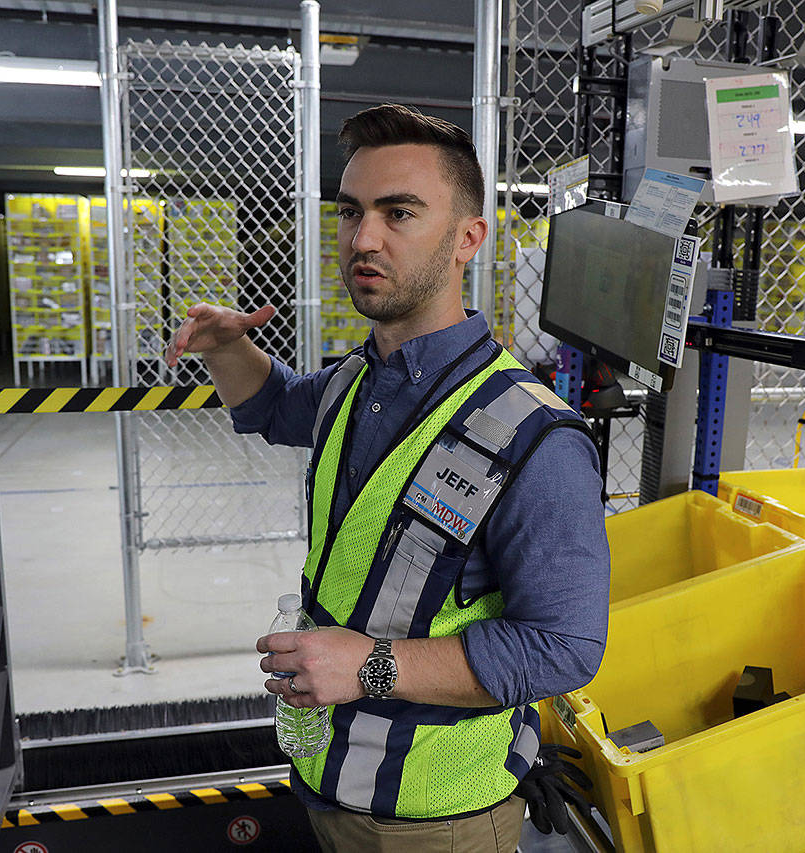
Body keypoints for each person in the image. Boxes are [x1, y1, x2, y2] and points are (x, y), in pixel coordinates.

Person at [168, 103, 610, 852]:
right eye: (350, 212)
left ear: (470, 237)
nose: (362, 240)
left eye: (398, 213)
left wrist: (369, 665)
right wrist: (224, 348)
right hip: (329, 773)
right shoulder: (358, 380)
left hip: (436, 817)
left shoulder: (536, 438)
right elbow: (275, 407)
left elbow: (564, 647)